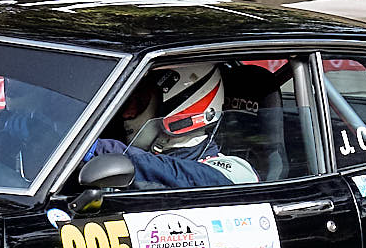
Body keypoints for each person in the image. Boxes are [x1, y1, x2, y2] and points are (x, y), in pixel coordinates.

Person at [84, 63, 258, 188]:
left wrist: (95, 148)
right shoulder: (143, 157)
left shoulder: (236, 173)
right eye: (129, 102)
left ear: (181, 108)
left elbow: (173, 174)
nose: (127, 114)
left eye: (140, 102)